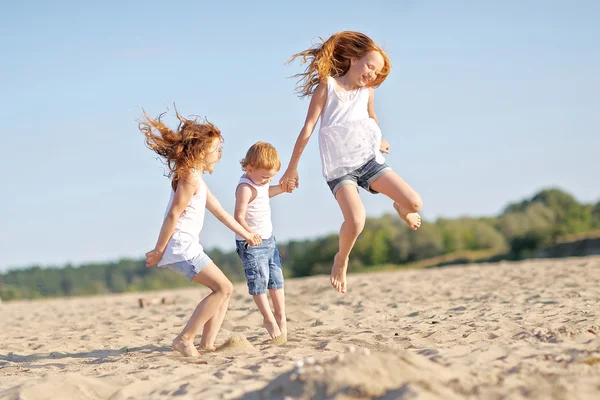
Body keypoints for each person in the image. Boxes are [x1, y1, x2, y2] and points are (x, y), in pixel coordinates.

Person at [280, 31, 423, 294]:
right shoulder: (328, 87)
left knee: (414, 203)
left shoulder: (367, 92)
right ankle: (341, 260)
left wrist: (379, 139)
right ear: (354, 59)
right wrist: (292, 168)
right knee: (356, 221)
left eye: (377, 71)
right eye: (370, 66)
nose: (372, 74)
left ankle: (400, 207)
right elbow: (308, 128)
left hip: (368, 160)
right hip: (339, 167)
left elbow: (371, 118)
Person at [140, 108, 262, 357]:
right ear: (201, 152)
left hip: (185, 246)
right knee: (223, 288)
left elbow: (222, 214)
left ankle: (207, 344)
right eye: (216, 150)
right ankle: (185, 339)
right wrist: (158, 250)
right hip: (180, 247)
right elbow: (173, 214)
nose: (219, 155)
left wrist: (247, 234)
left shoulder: (197, 179)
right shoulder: (188, 179)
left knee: (223, 290)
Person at [234, 142, 290, 340]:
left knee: (276, 279)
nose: (268, 180)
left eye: (271, 177)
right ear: (250, 168)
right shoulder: (245, 188)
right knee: (259, 280)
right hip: (251, 243)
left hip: (269, 240)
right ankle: (268, 318)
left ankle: (280, 315)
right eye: (265, 176)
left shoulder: (261, 184)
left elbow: (266, 194)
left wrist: (281, 188)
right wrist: (250, 233)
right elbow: (238, 217)